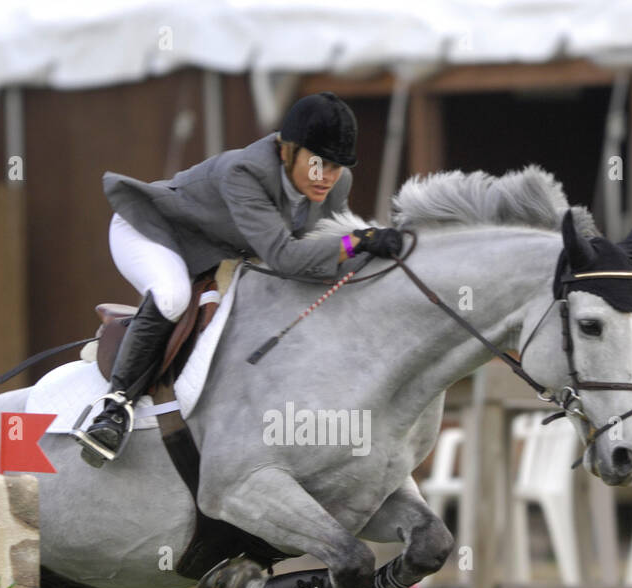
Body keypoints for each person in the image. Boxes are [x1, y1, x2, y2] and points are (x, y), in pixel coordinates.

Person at [74, 91, 405, 466]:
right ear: (286, 150)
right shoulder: (244, 173)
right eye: (318, 164)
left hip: (213, 251)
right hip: (150, 231)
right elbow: (286, 256)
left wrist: (375, 242)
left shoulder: (336, 183)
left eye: (336, 166)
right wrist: (358, 241)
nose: (326, 177)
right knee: (172, 296)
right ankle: (114, 409)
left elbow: (331, 245)